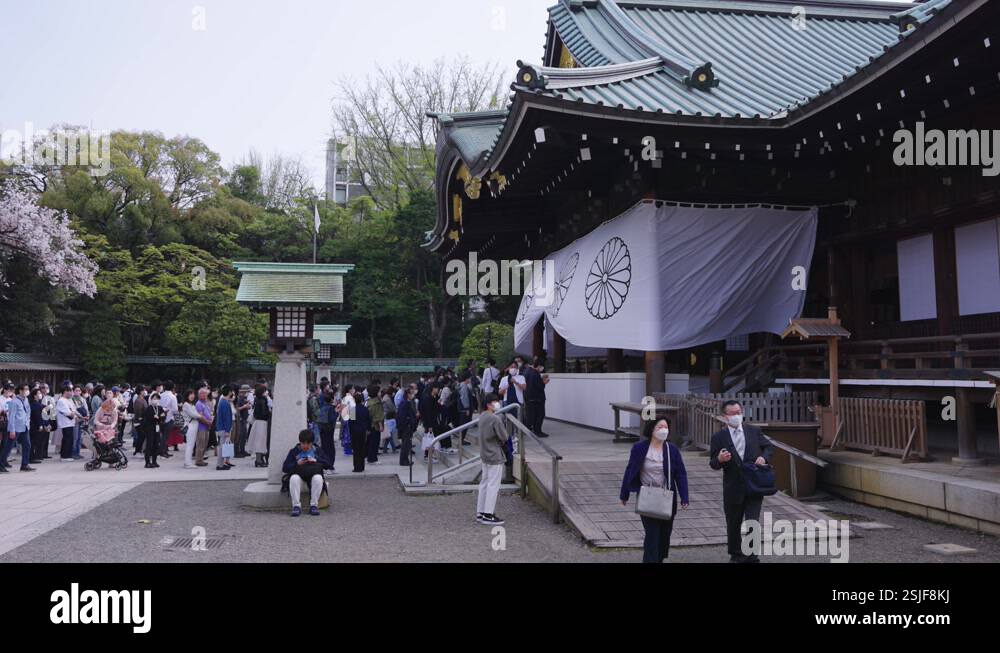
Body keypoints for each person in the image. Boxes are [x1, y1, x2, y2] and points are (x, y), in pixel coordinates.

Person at [709, 400, 773, 563]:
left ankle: (752, 556)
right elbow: (713, 464)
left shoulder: (753, 431)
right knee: (733, 522)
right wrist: (720, 459)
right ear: (725, 417)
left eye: (739, 412)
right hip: (733, 486)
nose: (737, 415)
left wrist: (763, 458)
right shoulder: (719, 437)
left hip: (754, 484)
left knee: (753, 520)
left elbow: (768, 447)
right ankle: (736, 554)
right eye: (732, 413)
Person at [620, 418, 690, 563]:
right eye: (660, 427)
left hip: (667, 498)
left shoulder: (672, 450)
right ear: (652, 430)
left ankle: (658, 559)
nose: (664, 429)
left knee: (664, 536)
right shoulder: (639, 448)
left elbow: (680, 474)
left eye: (666, 427)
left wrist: (684, 497)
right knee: (652, 535)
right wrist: (624, 494)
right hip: (647, 496)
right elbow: (630, 469)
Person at [475, 394, 509, 525]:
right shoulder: (495, 419)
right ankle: (488, 514)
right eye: (495, 401)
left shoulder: (482, 416)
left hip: (484, 453)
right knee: (493, 485)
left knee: (484, 483)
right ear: (489, 404)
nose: (497, 403)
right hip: (494, 454)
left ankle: (480, 512)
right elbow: (504, 436)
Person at [281, 429, 333, 517]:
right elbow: (285, 468)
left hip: (313, 477)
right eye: (303, 443)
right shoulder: (294, 451)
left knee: (318, 478)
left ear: (311, 443)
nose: (305, 446)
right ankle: (296, 506)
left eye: (308, 444)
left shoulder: (317, 450)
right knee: (294, 478)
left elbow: (329, 465)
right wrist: (296, 463)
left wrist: (316, 460)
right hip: (299, 477)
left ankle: (314, 505)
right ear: (300, 442)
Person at [3, 384, 34, 472]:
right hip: (16, 427)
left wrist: (27, 424)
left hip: (24, 426)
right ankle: (1, 464)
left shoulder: (26, 400)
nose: (27, 391)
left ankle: (24, 464)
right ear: (20, 391)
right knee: (9, 447)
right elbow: (11, 416)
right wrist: (12, 430)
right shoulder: (14, 402)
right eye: (25, 389)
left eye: (28, 389)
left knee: (27, 445)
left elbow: (28, 412)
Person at [247, 384, 271, 468]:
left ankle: (258, 459)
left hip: (257, 422)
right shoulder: (263, 400)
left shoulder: (257, 399)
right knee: (260, 442)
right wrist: (270, 413)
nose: (267, 392)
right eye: (265, 390)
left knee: (258, 441)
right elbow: (264, 412)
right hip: (262, 423)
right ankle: (259, 460)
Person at [140, 393, 165, 469]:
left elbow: (163, 416)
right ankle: (147, 462)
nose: (156, 400)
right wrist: (156, 417)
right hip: (150, 428)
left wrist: (158, 417)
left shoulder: (160, 408)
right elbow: (148, 418)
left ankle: (154, 461)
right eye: (154, 398)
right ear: (151, 399)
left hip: (157, 428)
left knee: (156, 444)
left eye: (157, 399)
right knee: (149, 445)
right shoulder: (149, 408)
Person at [55, 383, 78, 462]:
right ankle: (65, 456)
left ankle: (68, 454)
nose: (71, 393)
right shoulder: (61, 400)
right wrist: (72, 413)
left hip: (71, 422)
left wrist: (73, 413)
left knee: (70, 439)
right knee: (67, 439)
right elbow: (67, 412)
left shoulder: (70, 400)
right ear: (65, 391)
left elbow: (74, 409)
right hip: (65, 423)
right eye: (70, 391)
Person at [215, 385, 235, 471]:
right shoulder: (225, 403)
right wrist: (227, 430)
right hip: (224, 429)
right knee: (222, 447)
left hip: (221, 428)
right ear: (229, 392)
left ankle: (221, 463)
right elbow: (226, 418)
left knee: (222, 446)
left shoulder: (222, 402)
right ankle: (220, 465)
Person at [351, 389, 371, 473]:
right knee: (362, 448)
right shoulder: (365, 409)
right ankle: (362, 466)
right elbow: (368, 420)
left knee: (356, 449)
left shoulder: (352, 409)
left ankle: (356, 466)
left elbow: (350, 422)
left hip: (355, 431)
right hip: (363, 430)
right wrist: (368, 429)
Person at [397, 386, 418, 466]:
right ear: (408, 394)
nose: (413, 395)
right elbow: (402, 416)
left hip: (408, 427)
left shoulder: (408, 402)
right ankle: (404, 461)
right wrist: (408, 424)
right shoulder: (405, 403)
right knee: (405, 445)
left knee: (407, 444)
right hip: (406, 427)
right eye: (412, 393)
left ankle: (405, 459)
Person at [193, 387, 214, 466]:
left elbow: (209, 412)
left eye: (205, 394)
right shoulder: (198, 404)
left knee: (205, 444)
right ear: (199, 395)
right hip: (201, 427)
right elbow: (200, 417)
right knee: (200, 444)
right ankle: (198, 460)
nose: (204, 395)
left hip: (207, 426)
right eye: (202, 394)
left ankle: (201, 459)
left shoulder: (206, 403)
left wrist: (211, 419)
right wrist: (208, 422)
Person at [181, 390, 201, 469]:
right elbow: (194, 415)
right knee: (190, 445)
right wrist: (200, 416)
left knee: (191, 445)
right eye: (190, 394)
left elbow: (196, 414)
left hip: (194, 425)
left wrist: (198, 415)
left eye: (193, 394)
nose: (192, 396)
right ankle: (187, 463)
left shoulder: (192, 404)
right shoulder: (186, 404)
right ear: (187, 395)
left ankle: (188, 462)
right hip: (190, 426)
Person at [365, 384, 384, 464]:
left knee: (370, 442)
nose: (380, 393)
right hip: (375, 425)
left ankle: (370, 457)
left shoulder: (368, 401)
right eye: (379, 391)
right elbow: (378, 415)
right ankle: (373, 459)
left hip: (369, 424)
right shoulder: (377, 402)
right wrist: (381, 425)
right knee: (375, 442)